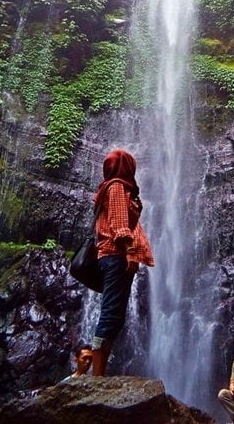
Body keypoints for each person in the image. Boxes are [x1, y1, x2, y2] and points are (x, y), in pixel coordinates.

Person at [91, 149, 154, 376]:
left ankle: (100, 370)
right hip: (116, 256)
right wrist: (129, 251)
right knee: (110, 313)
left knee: (115, 315)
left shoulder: (107, 188)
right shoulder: (117, 187)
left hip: (109, 257)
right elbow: (119, 224)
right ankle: (96, 375)